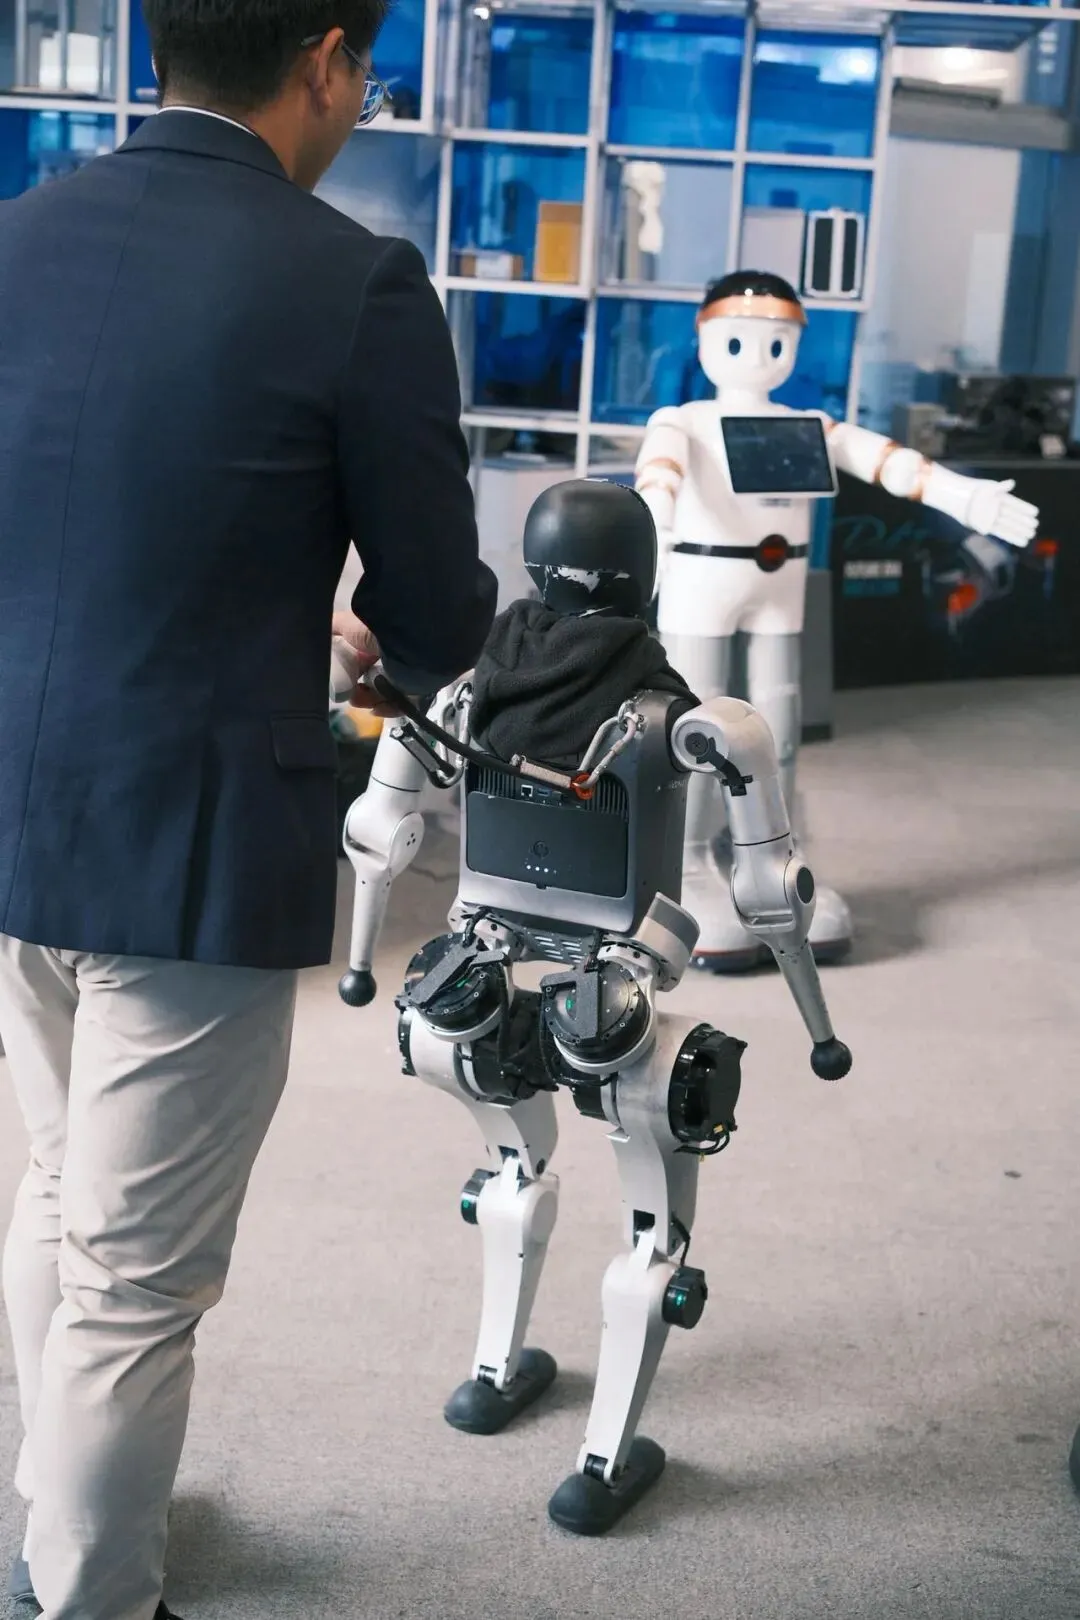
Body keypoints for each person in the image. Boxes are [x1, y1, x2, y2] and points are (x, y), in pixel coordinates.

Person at [0, 1, 496, 1614]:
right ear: (326, 62)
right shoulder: (353, 280)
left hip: (16, 805)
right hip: (191, 835)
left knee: (59, 1183)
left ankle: (50, 1526)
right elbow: (437, 608)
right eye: (368, 80)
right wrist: (362, 636)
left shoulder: (17, 235)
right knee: (137, 1276)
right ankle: (91, 1591)